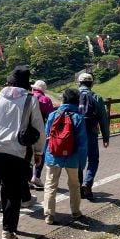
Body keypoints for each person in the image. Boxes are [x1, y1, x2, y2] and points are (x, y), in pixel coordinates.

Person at [0, 66, 45, 239]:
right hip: (17, 149)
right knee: (14, 190)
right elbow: (39, 127)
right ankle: (8, 230)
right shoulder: (30, 99)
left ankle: (6, 226)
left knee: (4, 185)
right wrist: (39, 151)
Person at [42, 88, 88, 225]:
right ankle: (75, 212)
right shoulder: (79, 117)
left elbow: (47, 137)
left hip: (53, 155)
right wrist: (82, 161)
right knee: (74, 185)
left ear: (64, 99)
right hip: (72, 156)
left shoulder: (53, 115)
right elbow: (82, 143)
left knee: (50, 185)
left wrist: (45, 154)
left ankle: (49, 215)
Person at [77, 73, 110, 199]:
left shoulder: (73, 96)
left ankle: (79, 187)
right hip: (91, 132)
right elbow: (103, 119)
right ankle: (87, 184)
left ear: (79, 83)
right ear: (92, 83)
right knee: (93, 159)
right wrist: (106, 137)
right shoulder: (96, 97)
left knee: (77, 161)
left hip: (75, 133)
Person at [29, 80, 55, 189]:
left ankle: (28, 178)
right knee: (41, 152)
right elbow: (51, 117)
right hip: (41, 129)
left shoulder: (28, 97)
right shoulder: (45, 99)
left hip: (27, 129)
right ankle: (36, 176)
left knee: (28, 152)